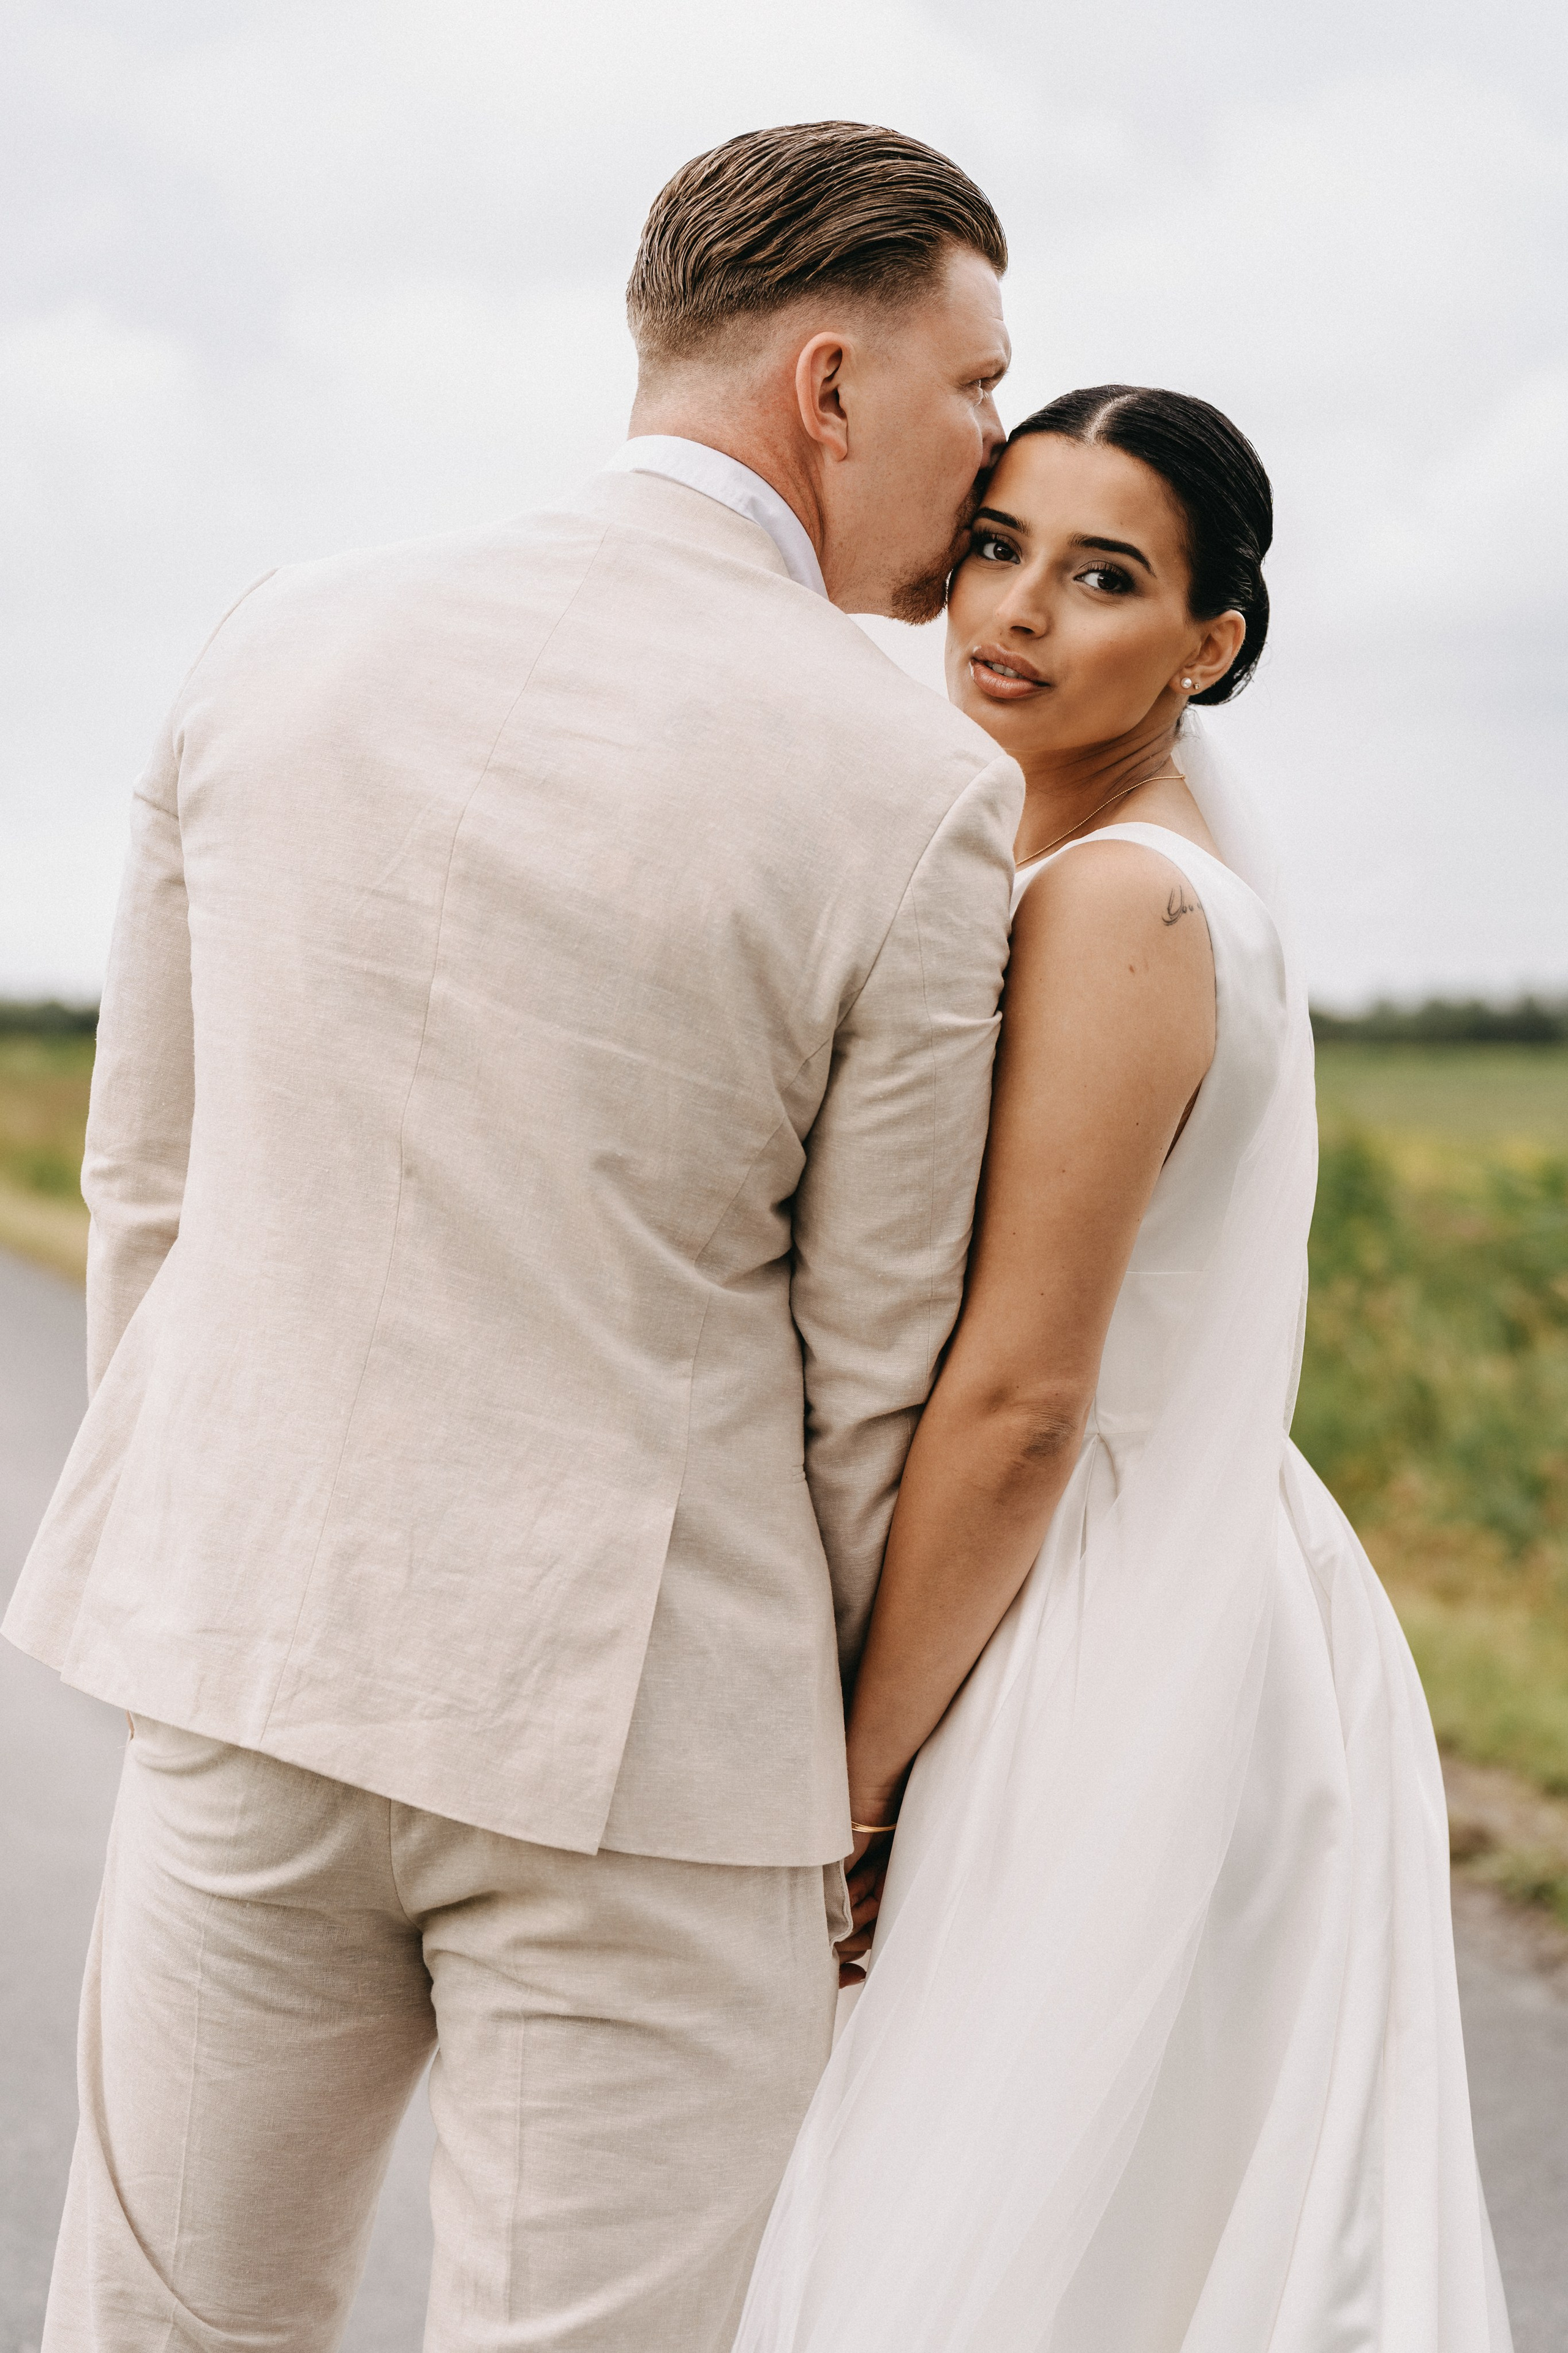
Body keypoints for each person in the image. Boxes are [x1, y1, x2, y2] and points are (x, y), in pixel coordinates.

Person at [2, 124, 1023, 2349]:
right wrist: (835, 1775)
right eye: (975, 390)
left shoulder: (284, 636)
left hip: (255, 1665)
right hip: (653, 1753)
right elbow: (874, 1376)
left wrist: (217, 1558)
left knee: (163, 2329)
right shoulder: (910, 788)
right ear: (829, 387)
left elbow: (148, 1182)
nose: (996, 452)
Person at [735, 388, 1513, 2351]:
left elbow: (1022, 1402)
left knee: (1005, 2224)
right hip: (1221, 1587)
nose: (1014, 612)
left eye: (1105, 578)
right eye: (995, 547)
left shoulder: (1115, 905)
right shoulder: (1154, 884)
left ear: (1212, 644)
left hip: (1097, 1620)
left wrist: (854, 1776)